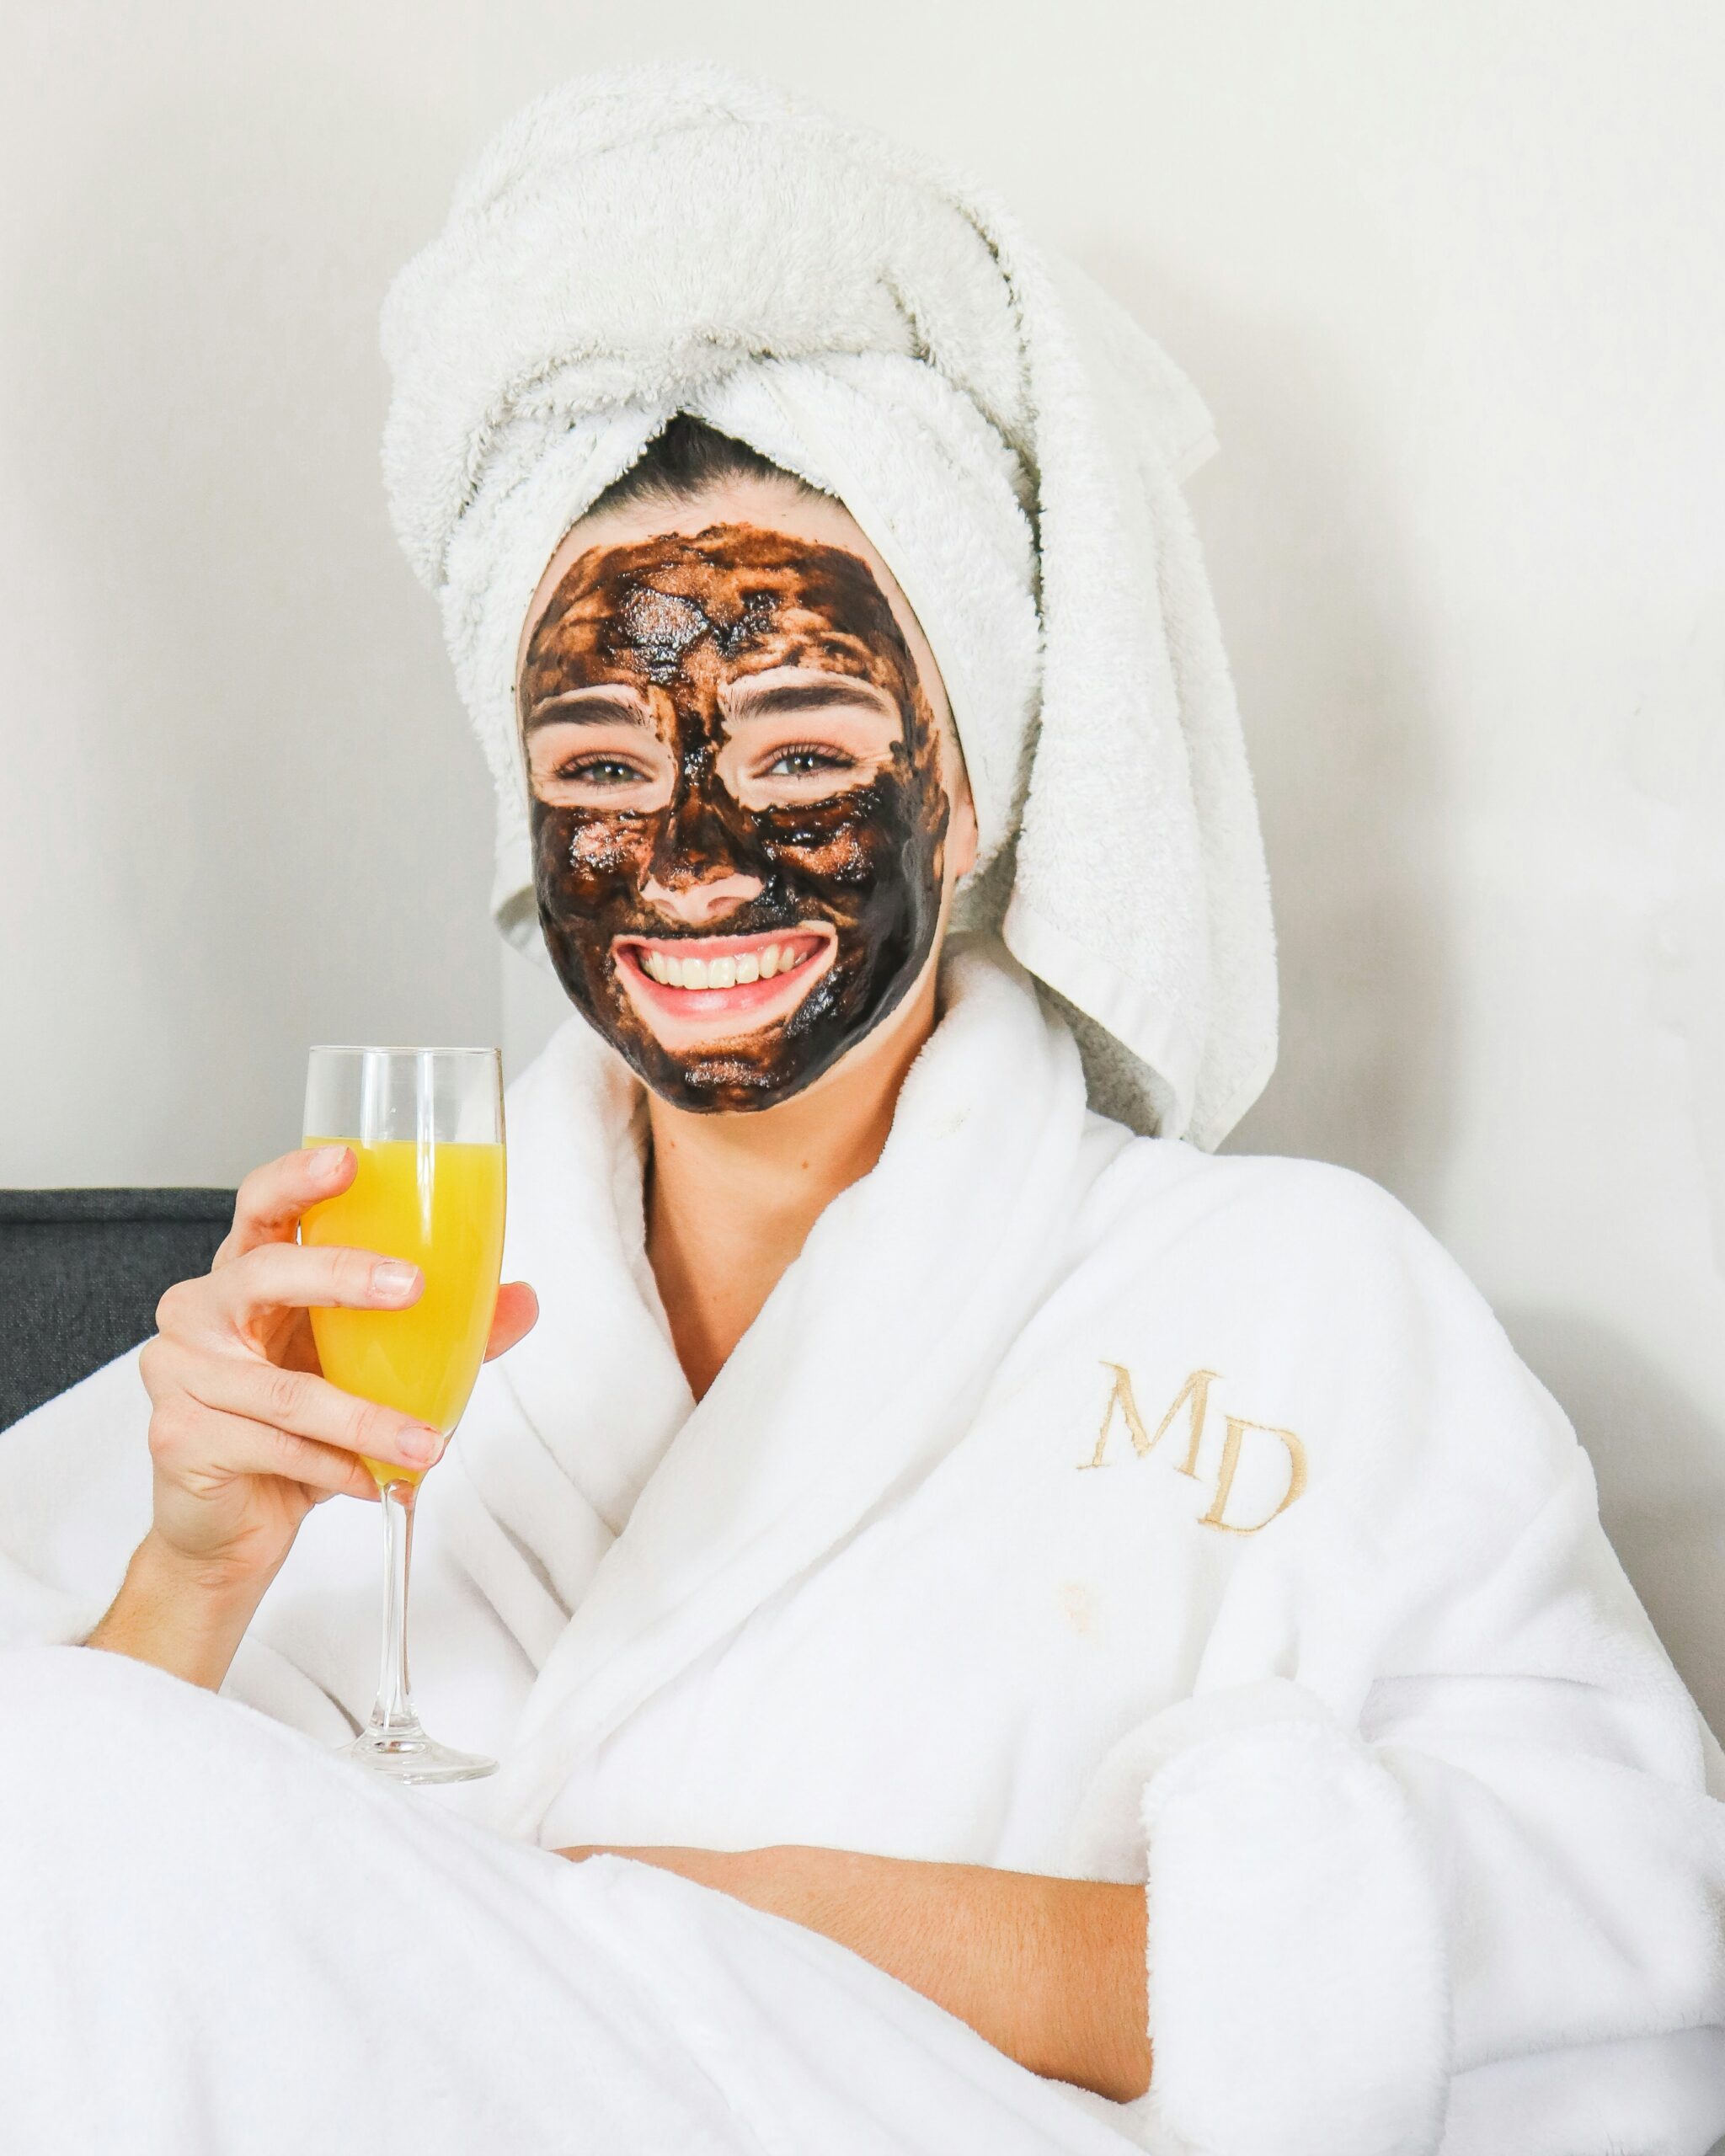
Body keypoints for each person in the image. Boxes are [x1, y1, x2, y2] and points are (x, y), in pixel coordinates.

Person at [3, 63, 1723, 2156]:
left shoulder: (1291, 1307)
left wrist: (723, 1927)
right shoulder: (355, 1310)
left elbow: (1631, 1968)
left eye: (805, 757)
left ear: (976, 784)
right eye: (603, 776)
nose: (696, 858)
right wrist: (189, 1575)